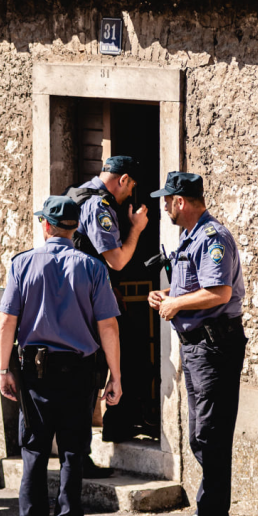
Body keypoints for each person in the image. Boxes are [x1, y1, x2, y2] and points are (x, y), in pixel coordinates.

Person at [0, 196, 123, 516]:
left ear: (46, 225)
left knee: (35, 449)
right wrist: (115, 375)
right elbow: (108, 327)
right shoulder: (93, 267)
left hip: (34, 370)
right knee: (72, 450)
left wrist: (3, 368)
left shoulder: (22, 264)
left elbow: (7, 321)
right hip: (79, 370)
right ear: (76, 228)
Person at [147, 173, 246, 516]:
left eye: (167, 200)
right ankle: (208, 509)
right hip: (196, 345)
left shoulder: (212, 237)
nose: (165, 207)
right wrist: (168, 294)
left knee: (210, 433)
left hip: (213, 346)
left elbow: (219, 292)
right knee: (201, 431)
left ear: (181, 202)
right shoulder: (190, 237)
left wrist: (176, 303)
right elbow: (196, 288)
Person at [66, 155, 148, 473]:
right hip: (88, 302)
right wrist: (137, 229)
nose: (130, 194)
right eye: (131, 186)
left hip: (71, 297)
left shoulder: (77, 192)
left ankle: (80, 451)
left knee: (81, 376)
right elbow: (116, 260)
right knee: (90, 378)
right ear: (123, 179)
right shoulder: (100, 206)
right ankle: (80, 455)